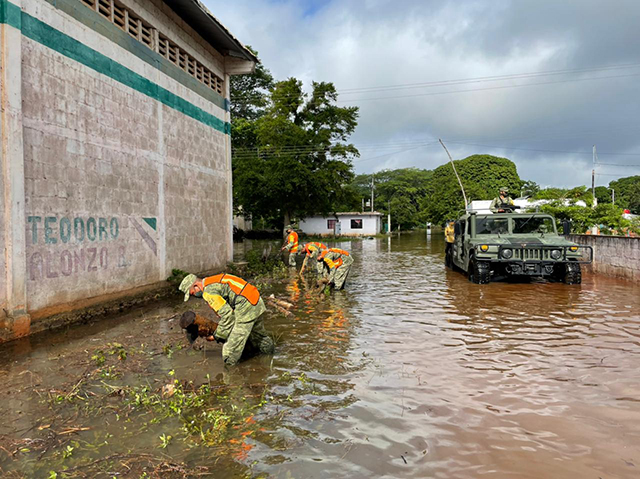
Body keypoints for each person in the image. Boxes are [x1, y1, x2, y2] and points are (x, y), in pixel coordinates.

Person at [178, 273, 274, 366]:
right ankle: (270, 362)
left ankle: (230, 377)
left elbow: (228, 316)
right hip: (255, 300)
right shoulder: (211, 280)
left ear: (196, 285)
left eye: (192, 293)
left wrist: (217, 336)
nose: (194, 295)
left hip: (246, 307)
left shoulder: (208, 291)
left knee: (229, 352)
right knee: (259, 337)